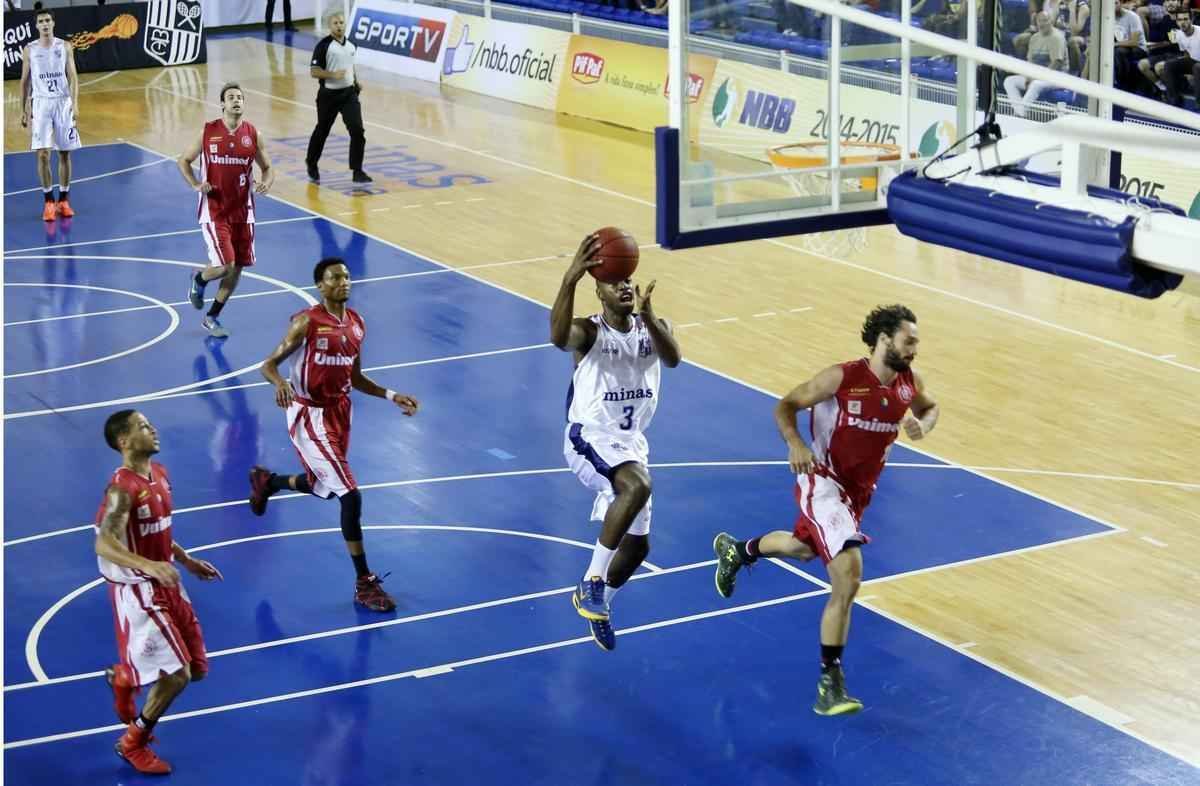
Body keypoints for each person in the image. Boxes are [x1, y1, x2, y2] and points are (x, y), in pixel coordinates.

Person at [712, 305, 939, 716]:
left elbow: (929, 407)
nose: (914, 350)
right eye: (909, 341)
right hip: (822, 482)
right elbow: (786, 405)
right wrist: (795, 444)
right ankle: (829, 682)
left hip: (857, 496)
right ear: (885, 339)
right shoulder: (841, 377)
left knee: (802, 548)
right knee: (848, 575)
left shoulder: (908, 384)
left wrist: (926, 424)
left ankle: (738, 550)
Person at [249, 257, 419, 612]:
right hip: (308, 415)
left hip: (340, 413)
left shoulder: (356, 325)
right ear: (320, 286)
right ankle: (364, 582)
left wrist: (391, 395)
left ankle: (268, 481)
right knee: (350, 495)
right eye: (335, 277)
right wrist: (280, 383)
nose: (343, 281)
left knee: (322, 487)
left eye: (346, 276)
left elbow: (355, 378)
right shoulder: (305, 323)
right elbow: (267, 364)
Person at [550, 234, 683, 651]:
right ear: (599, 290)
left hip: (629, 443)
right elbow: (557, 337)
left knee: (639, 546)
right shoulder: (588, 332)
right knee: (638, 485)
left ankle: (600, 602)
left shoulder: (654, 327)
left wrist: (650, 315)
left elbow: (673, 357)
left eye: (628, 281)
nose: (624, 287)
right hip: (587, 435)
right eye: (615, 283)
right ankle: (591, 579)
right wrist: (570, 277)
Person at [94, 410, 223, 775]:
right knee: (178, 675)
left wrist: (185, 560)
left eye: (151, 424)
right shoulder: (122, 488)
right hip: (139, 590)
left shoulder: (160, 474)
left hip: (167, 581)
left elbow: (159, 529)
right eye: (143, 426)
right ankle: (132, 742)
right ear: (124, 441)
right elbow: (105, 542)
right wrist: (149, 566)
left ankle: (126, 677)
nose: (153, 429)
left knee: (196, 671)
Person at [179, 82, 275, 339]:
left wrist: (266, 182)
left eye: (240, 97)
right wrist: (196, 184)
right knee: (224, 266)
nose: (236, 100)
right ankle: (199, 279)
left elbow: (267, 167)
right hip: (215, 210)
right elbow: (184, 160)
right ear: (222, 104)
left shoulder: (253, 134)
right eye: (231, 97)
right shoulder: (208, 132)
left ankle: (212, 317)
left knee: (238, 267)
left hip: (244, 212)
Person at [19, 9, 80, 223]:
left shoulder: (64, 47)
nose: (44, 24)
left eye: (47, 20)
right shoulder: (30, 49)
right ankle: (48, 201)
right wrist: (23, 108)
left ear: (53, 23)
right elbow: (24, 81)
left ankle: (63, 200)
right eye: (40, 21)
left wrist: (75, 103)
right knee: (43, 154)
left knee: (64, 154)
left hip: (63, 102)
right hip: (41, 104)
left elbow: (73, 76)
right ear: (36, 26)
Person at [305, 10, 371, 184]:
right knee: (322, 130)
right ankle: (311, 164)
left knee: (357, 130)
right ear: (330, 26)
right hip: (328, 96)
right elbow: (314, 71)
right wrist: (333, 75)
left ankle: (357, 170)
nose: (339, 26)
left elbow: (350, 66)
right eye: (335, 23)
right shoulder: (323, 46)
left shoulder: (351, 46)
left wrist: (356, 82)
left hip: (349, 94)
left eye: (341, 23)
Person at [1003, 12, 1069, 117]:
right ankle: (1021, 111)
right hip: (1037, 76)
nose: (1042, 24)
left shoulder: (1057, 38)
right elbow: (1030, 61)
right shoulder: (1034, 38)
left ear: (1051, 22)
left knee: (1036, 84)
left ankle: (1019, 114)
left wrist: (1036, 78)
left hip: (1057, 78)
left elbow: (1056, 63)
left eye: (1045, 20)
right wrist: (1029, 77)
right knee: (1009, 81)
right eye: (1039, 21)